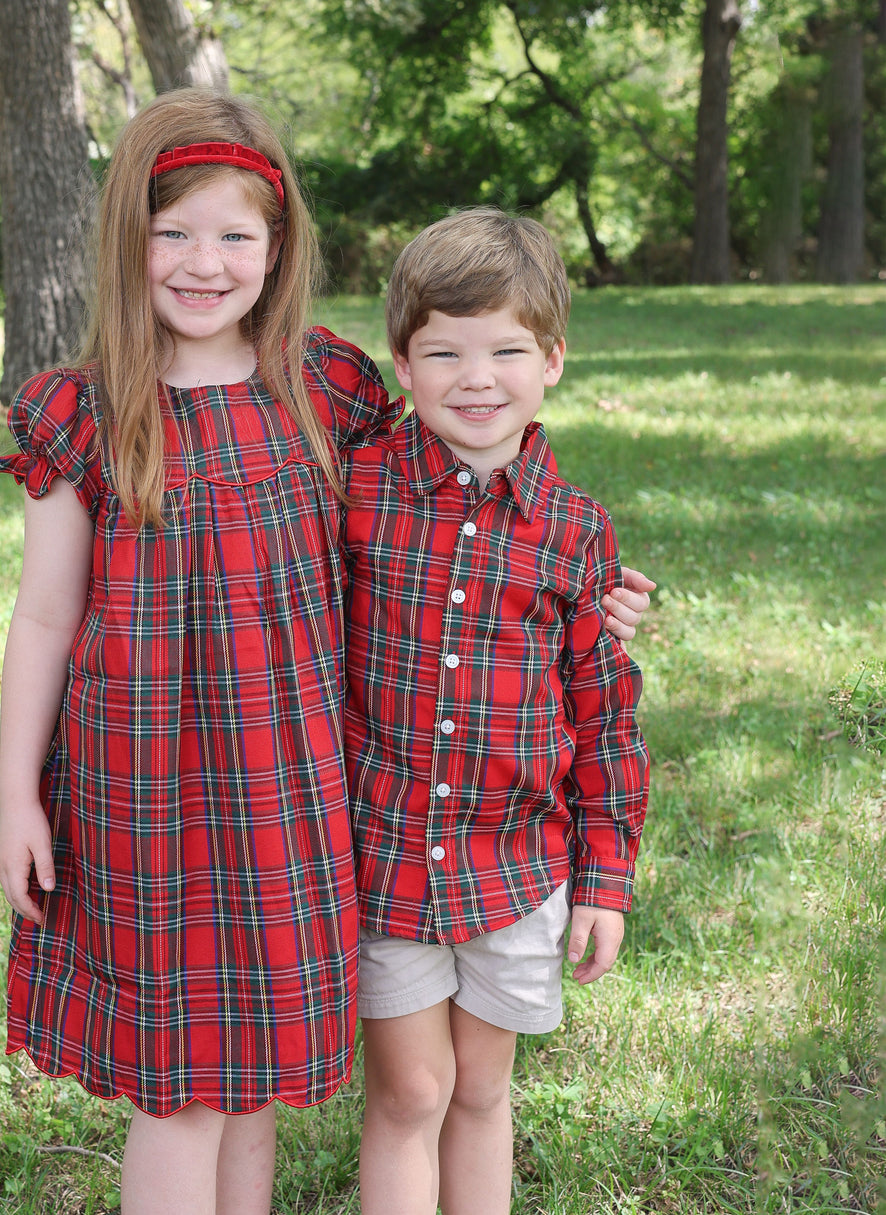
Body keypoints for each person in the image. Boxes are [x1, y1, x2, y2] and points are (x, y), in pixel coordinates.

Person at [0, 87, 651, 1213]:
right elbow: (45, 614)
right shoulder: (89, 409)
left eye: (234, 234)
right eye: (174, 232)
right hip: (145, 788)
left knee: (248, 1077)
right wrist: (15, 792)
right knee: (180, 1088)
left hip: (294, 789)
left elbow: (447, 494)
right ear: (127, 240)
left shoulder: (326, 387)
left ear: (277, 245)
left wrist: (581, 595)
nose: (205, 262)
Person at [341, 208, 651, 1215]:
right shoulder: (355, 494)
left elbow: (604, 718)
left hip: (513, 866)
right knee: (411, 1090)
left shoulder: (574, 533)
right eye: (443, 351)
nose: (476, 377)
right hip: (384, 853)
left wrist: (603, 880)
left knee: (478, 1089)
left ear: (551, 358)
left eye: (505, 350)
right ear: (401, 361)